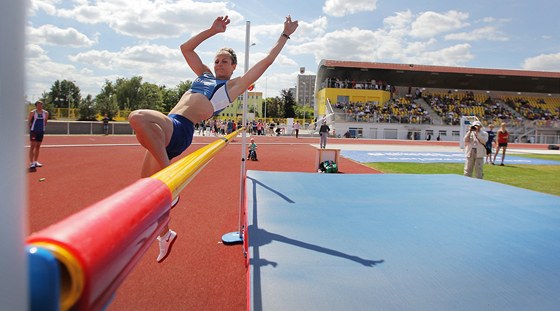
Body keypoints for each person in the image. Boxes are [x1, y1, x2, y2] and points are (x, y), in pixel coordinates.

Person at [128, 15, 298, 262]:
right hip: (165, 127)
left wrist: (284, 34)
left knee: (138, 117)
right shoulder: (203, 75)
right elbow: (185, 48)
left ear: (233, 67)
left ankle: (170, 183)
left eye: (225, 61)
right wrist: (212, 31)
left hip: (180, 129)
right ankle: (165, 234)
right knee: (146, 190)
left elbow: (268, 60)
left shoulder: (233, 87)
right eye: (217, 60)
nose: (219, 64)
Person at [28, 101, 49, 169]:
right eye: (38, 105)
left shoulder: (45, 113)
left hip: (41, 131)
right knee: (32, 146)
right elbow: (29, 121)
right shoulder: (33, 112)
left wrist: (42, 128)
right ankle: (31, 163)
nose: (40, 106)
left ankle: (36, 161)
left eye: (41, 105)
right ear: (36, 106)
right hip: (34, 131)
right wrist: (31, 129)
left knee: (38, 147)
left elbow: (45, 122)